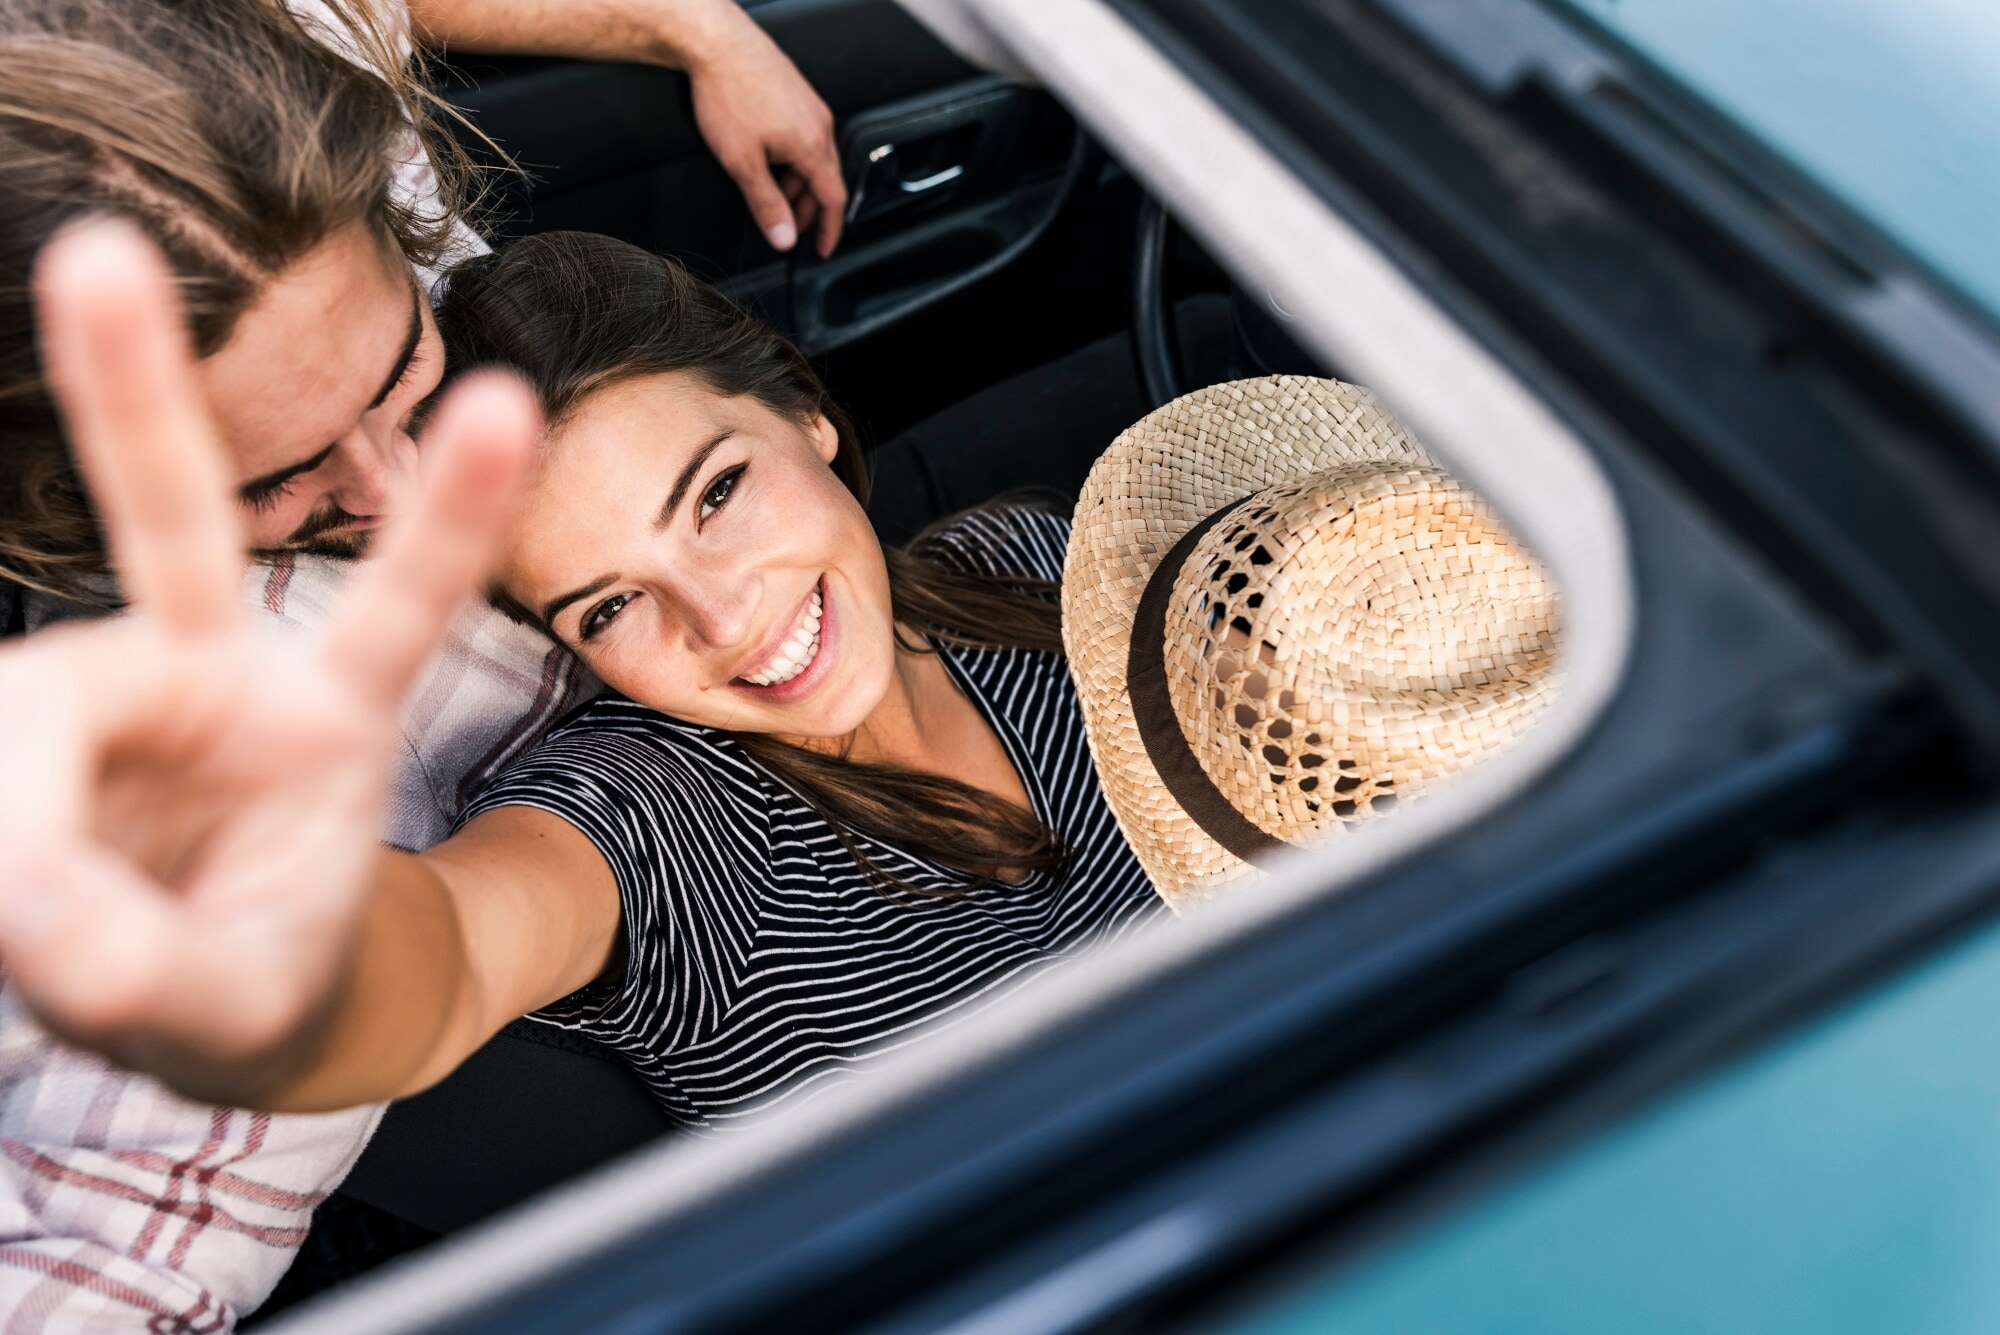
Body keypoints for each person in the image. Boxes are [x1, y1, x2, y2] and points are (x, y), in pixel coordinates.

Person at [0, 0, 843, 1323]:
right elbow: (112, 1243)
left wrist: (692, 27)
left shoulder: (278, 107)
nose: (404, 491)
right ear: (61, 483)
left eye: (406, 371)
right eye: (281, 478)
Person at [2, 226, 1167, 1129]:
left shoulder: (1041, 569)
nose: (720, 619)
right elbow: (456, 948)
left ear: (804, 416)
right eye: (608, 605)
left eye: (715, 494)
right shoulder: (656, 817)